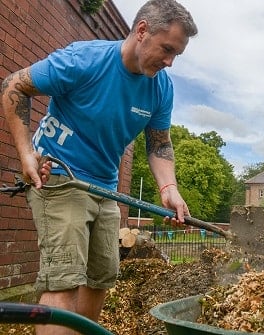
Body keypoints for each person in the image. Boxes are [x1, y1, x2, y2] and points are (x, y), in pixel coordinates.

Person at [1, 0, 197, 333]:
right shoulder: (83, 60)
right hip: (62, 176)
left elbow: (159, 143)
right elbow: (13, 86)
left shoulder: (161, 87)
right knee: (63, 280)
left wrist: (169, 189)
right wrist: (25, 153)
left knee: (100, 277)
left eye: (176, 54)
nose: (170, 62)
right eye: (167, 49)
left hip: (105, 186)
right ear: (142, 30)